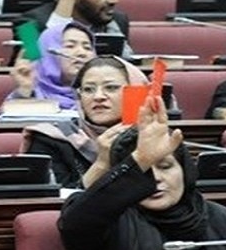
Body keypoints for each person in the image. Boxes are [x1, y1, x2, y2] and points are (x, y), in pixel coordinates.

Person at [61, 94, 226, 250]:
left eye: (165, 166)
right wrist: (140, 159)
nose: (156, 179)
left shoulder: (223, 219)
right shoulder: (112, 222)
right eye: (145, 170)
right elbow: (76, 222)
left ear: (185, 171)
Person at [21, 56, 147, 188]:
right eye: (88, 89)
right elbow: (58, 204)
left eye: (111, 88)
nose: (98, 97)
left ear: (137, 93)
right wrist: (102, 163)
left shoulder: (152, 137)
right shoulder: (50, 140)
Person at [7, 22, 96, 110]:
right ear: (48, 55)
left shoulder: (102, 94)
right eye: (70, 46)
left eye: (87, 48)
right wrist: (25, 90)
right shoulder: (32, 91)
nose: (82, 53)